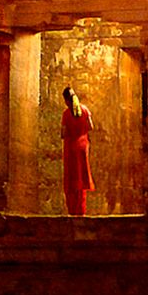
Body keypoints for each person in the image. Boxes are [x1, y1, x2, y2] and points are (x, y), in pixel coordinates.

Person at [60, 86, 94, 215]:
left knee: (71, 180)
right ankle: (81, 211)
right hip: (83, 146)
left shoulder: (66, 113)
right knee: (81, 180)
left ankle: (72, 211)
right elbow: (91, 126)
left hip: (71, 147)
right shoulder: (85, 110)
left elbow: (64, 133)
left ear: (66, 100)